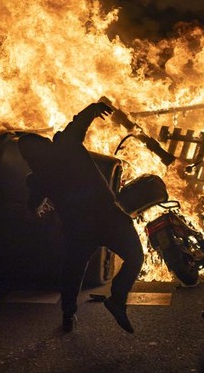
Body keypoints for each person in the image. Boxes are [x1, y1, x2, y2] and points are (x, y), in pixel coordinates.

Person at [18, 101, 144, 333]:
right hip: (107, 217)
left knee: (72, 271)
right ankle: (117, 299)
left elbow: (32, 210)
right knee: (135, 257)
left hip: (78, 229)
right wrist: (95, 108)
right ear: (45, 144)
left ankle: (68, 314)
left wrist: (42, 211)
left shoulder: (38, 178)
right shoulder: (65, 146)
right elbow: (79, 122)